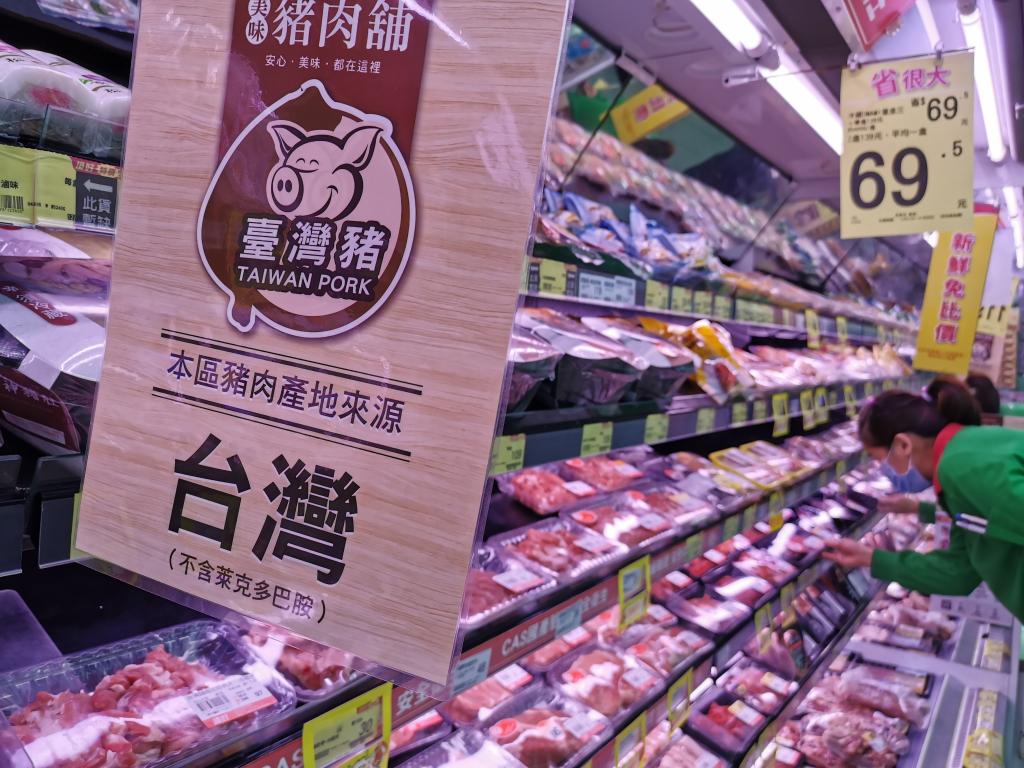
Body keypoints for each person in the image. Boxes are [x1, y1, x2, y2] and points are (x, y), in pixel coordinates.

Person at [824, 383, 1024, 621]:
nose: (883, 470)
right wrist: (871, 558)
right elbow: (959, 573)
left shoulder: (959, 466)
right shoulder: (961, 457)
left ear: (903, 445)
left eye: (881, 460)